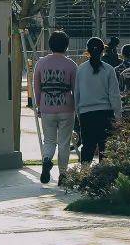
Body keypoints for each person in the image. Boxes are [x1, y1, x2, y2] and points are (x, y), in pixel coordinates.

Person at [32, 29, 78, 187]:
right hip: (67, 107)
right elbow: (75, 90)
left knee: (49, 140)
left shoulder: (40, 63)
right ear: (66, 46)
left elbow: (36, 87)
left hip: (47, 107)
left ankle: (46, 160)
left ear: (50, 45)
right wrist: (76, 107)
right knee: (64, 142)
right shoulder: (71, 65)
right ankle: (63, 174)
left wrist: (39, 105)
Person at [74, 36, 122, 163]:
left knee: (87, 148)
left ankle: (84, 173)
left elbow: (77, 94)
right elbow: (114, 95)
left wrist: (78, 113)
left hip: (86, 114)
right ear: (102, 51)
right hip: (105, 114)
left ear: (87, 51)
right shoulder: (109, 69)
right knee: (105, 149)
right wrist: (118, 116)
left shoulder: (80, 70)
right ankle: (103, 173)